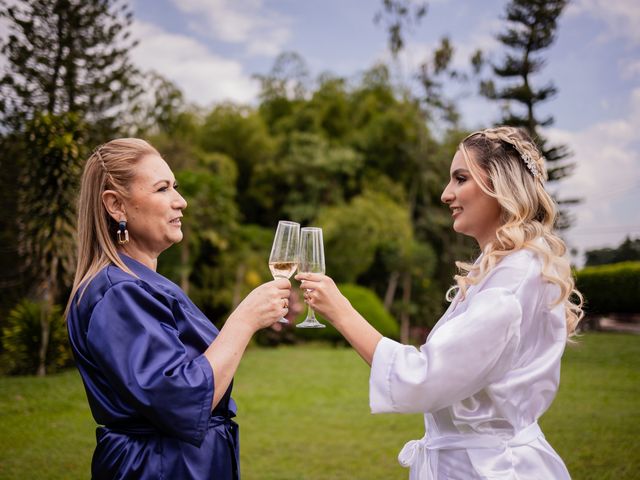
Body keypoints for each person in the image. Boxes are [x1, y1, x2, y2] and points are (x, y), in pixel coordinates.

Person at [296, 126, 583, 479]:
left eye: (460, 179)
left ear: (501, 185)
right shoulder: (500, 268)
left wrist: (341, 312)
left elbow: (425, 377)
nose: (446, 194)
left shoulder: (514, 278)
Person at [65, 138, 291, 480]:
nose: (180, 201)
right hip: (159, 468)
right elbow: (180, 398)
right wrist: (243, 321)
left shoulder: (139, 283)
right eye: (162, 189)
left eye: (176, 187)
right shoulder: (120, 294)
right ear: (116, 206)